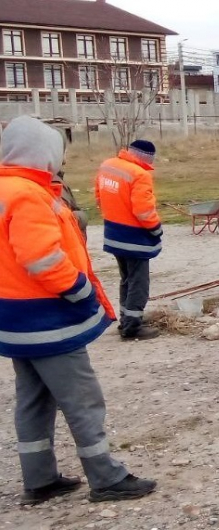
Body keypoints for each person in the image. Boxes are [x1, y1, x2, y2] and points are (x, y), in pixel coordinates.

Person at [0, 116, 156, 505]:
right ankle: (106, 477)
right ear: (42, 153)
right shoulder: (28, 194)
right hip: (46, 318)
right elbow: (42, 258)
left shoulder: (7, 188)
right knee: (82, 398)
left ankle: (40, 479)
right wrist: (80, 289)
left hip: (14, 318)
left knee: (33, 398)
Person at [95, 140, 163, 340]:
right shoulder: (140, 175)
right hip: (134, 238)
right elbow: (143, 211)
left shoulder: (108, 165)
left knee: (125, 279)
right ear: (147, 157)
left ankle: (126, 319)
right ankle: (132, 327)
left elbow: (99, 196)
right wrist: (156, 229)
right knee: (138, 282)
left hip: (114, 233)